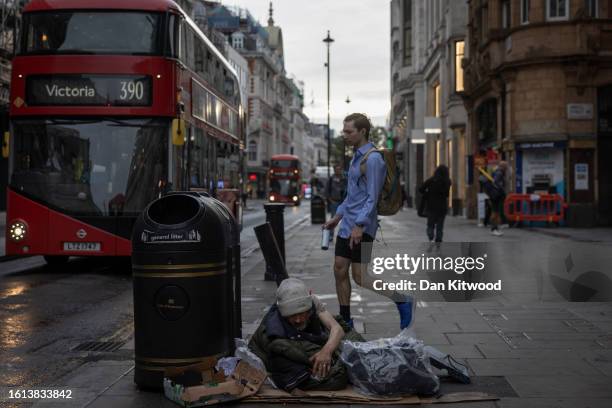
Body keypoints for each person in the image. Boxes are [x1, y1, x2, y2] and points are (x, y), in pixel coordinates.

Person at [322, 113, 414, 331]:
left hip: (362, 227)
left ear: (362, 131)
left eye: (349, 131)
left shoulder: (373, 159)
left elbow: (372, 197)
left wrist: (360, 225)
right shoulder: (356, 157)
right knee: (339, 269)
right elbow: (352, 195)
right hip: (347, 226)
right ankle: (345, 319)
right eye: (344, 131)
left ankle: (402, 300)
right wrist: (337, 217)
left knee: (361, 276)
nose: (344, 135)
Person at [248, 278, 363, 392]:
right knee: (335, 374)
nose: (298, 320)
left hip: (307, 338)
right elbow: (287, 352)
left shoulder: (312, 301)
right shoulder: (274, 330)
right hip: (284, 348)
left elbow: (337, 328)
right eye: (292, 315)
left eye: (302, 313)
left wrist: (326, 352)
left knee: (355, 342)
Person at [418, 165, 451, 245]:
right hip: (442, 207)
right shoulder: (447, 181)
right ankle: (438, 239)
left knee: (430, 223)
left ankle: (430, 235)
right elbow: (447, 194)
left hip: (431, 206)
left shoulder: (431, 180)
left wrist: (427, 193)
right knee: (440, 225)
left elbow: (421, 189)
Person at [325, 164, 347, 239]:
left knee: (346, 218)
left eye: (339, 169)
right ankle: (331, 235)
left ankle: (345, 235)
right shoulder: (331, 179)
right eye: (337, 169)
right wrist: (330, 200)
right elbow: (327, 190)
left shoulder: (344, 179)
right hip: (334, 201)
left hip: (343, 202)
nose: (338, 171)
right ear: (334, 170)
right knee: (333, 218)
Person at [489, 161, 508, 236]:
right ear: (503, 167)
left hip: (494, 195)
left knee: (495, 212)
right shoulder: (499, 173)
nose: (506, 169)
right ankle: (494, 228)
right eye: (506, 167)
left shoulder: (497, 172)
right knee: (495, 212)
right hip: (496, 195)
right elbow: (496, 182)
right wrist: (502, 189)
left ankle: (495, 228)